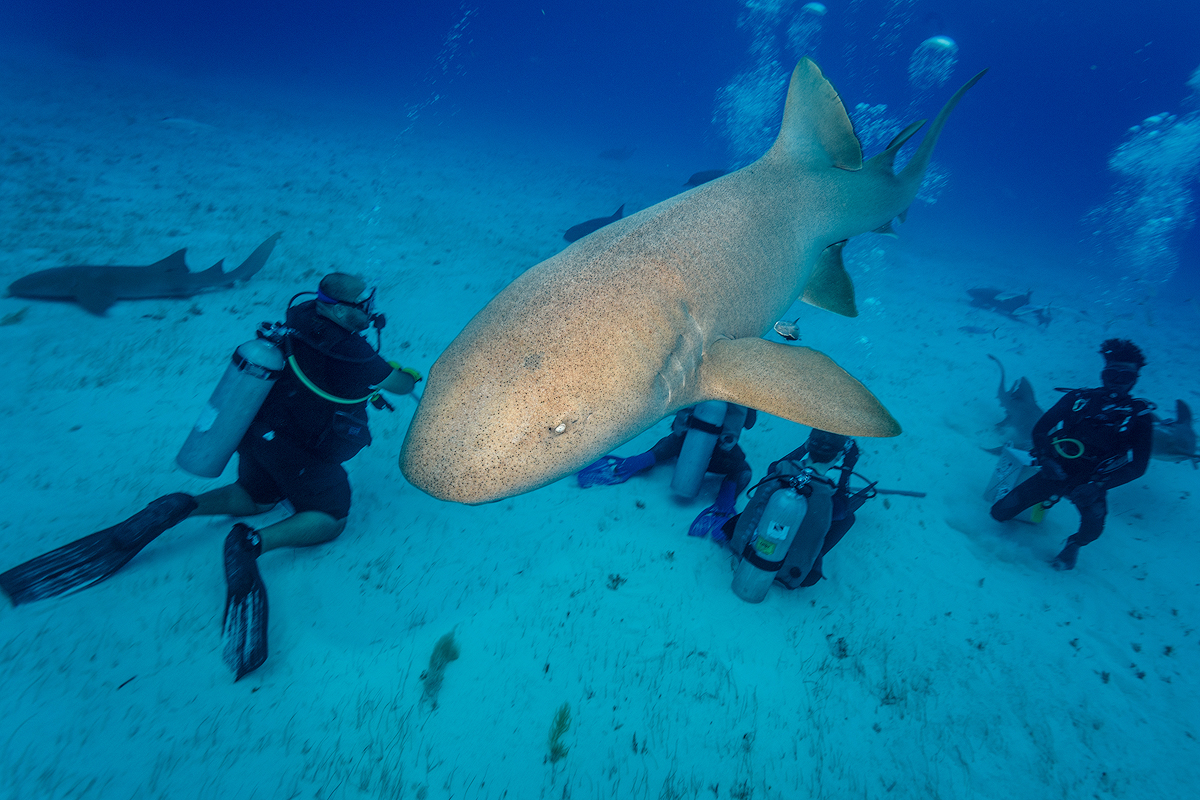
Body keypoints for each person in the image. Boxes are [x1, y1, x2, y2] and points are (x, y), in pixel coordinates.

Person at [0, 273, 421, 680]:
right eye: (364, 303)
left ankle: (183, 506)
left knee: (257, 497)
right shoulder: (353, 354)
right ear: (344, 311)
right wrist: (403, 370)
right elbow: (399, 385)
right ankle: (252, 543)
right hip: (301, 453)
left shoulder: (302, 316)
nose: (370, 309)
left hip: (256, 434)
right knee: (333, 517)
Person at [990, 339, 1153, 571]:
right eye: (1111, 374)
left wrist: (1098, 486)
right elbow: (1040, 430)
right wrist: (1045, 459)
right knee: (999, 512)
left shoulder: (1140, 417)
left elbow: (1138, 466)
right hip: (1055, 471)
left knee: (1092, 530)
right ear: (1103, 374)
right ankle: (1039, 506)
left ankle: (1074, 544)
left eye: (1125, 377)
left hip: (1092, 483)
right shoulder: (1078, 399)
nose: (1116, 382)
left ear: (1135, 379)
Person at [577, 403, 756, 539]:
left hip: (686, 443)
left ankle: (629, 465)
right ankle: (724, 505)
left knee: (670, 443)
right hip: (720, 453)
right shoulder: (742, 388)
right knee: (742, 468)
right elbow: (749, 423)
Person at [724, 428, 869, 589]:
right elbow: (842, 508)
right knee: (847, 518)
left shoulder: (780, 471)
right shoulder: (830, 499)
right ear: (837, 456)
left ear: (808, 444)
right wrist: (847, 467)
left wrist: (805, 447)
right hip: (787, 572)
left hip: (746, 548)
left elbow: (775, 466)